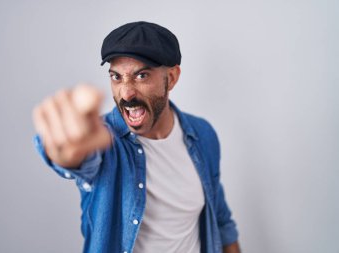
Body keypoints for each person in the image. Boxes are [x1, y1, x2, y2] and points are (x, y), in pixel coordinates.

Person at [33, 21, 240, 253]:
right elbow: (77, 156)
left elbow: (220, 221)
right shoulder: (102, 139)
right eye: (116, 77)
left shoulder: (203, 135)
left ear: (171, 78)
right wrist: (63, 152)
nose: (126, 93)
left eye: (141, 76)